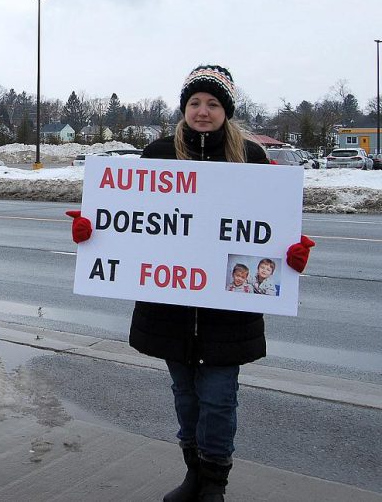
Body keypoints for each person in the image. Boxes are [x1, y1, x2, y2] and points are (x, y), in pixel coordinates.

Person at [66, 65, 315, 502]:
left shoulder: (251, 159)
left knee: (219, 398)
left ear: (227, 111)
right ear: (184, 108)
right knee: (185, 396)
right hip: (169, 308)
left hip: (228, 308)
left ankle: (214, 485)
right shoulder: (158, 153)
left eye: (213, 104)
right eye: (195, 103)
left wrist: (289, 253)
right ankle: (193, 476)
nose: (203, 111)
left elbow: (267, 228)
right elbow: (134, 223)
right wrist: (94, 231)